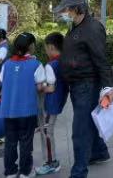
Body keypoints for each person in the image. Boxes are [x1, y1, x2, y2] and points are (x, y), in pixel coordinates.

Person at [55, 0, 113, 178]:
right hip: (77, 85)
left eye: (66, 9)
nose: (64, 13)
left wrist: (108, 87)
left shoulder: (92, 28)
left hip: (87, 85)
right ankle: (99, 152)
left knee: (80, 130)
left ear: (76, 8)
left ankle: (79, 172)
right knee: (89, 121)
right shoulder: (76, 26)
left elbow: (102, 60)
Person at [0, 32, 46, 178]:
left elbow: (2, 80)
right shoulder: (36, 64)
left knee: (10, 142)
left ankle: (10, 171)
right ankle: (25, 172)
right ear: (31, 46)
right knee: (26, 142)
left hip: (8, 110)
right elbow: (40, 86)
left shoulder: (6, 64)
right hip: (27, 111)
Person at [37, 32, 68, 176]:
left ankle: (51, 162)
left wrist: (40, 87)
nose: (45, 51)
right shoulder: (64, 60)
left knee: (46, 132)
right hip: (60, 100)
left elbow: (51, 88)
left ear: (51, 47)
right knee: (48, 131)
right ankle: (51, 161)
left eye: (45, 48)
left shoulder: (50, 65)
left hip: (51, 103)